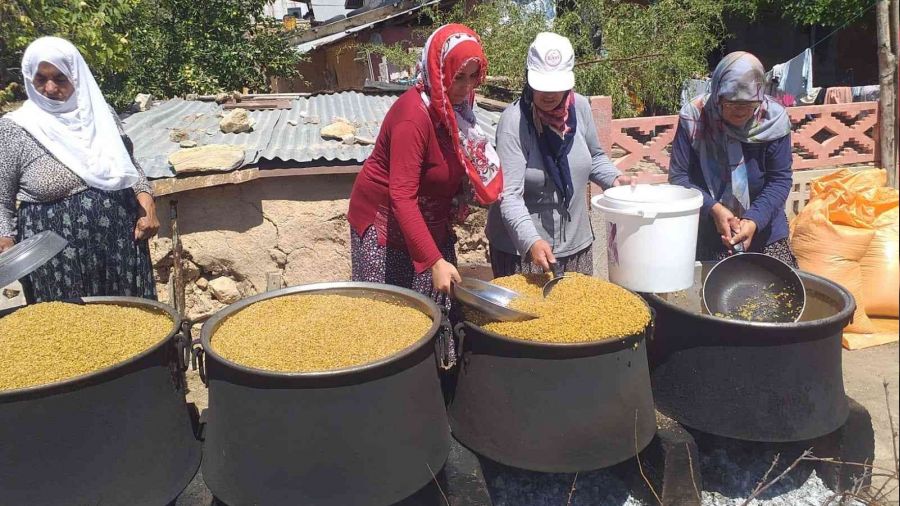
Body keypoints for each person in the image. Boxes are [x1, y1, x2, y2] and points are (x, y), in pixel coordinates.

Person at [347, 24, 501, 312]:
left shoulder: (457, 110)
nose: (467, 88)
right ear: (438, 70)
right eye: (458, 78)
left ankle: (442, 358)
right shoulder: (413, 118)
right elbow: (402, 197)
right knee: (393, 314)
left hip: (430, 217)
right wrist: (433, 261)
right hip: (386, 227)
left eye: (472, 78)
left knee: (441, 305)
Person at [0, 37, 159, 302]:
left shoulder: (100, 114)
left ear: (77, 76)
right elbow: (1, 199)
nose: (49, 88)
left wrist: (147, 199)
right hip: (54, 257)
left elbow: (129, 164)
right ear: (29, 77)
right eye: (40, 79)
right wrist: (5, 239)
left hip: (119, 244)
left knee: (129, 323)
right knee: (69, 332)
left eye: (60, 79)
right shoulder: (15, 128)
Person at [486, 32, 631, 278]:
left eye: (556, 86)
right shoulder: (514, 122)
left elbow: (594, 156)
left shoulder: (580, 108)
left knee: (578, 314)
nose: (549, 95)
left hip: (576, 245)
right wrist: (531, 240)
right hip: (523, 251)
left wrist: (615, 180)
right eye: (542, 86)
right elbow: (508, 195)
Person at [669, 51, 797, 266]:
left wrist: (754, 219)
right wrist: (714, 208)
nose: (741, 112)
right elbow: (679, 178)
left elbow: (780, 180)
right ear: (717, 95)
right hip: (709, 231)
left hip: (765, 229)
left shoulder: (773, 119)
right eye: (732, 103)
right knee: (714, 293)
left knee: (776, 294)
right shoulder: (695, 117)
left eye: (749, 105)